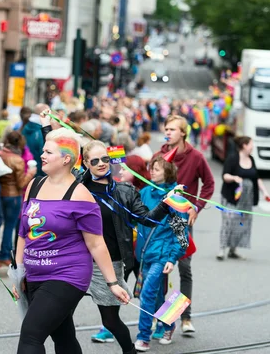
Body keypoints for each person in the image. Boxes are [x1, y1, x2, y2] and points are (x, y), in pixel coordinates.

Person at [12, 128, 130, 354]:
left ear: (66, 159)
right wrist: (18, 271)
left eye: (48, 152)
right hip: (35, 274)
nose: (42, 155)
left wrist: (112, 283)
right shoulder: (34, 185)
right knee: (63, 337)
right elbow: (23, 232)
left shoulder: (80, 194)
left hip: (67, 276)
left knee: (31, 335)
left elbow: (96, 244)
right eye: (43, 150)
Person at [81, 141, 176, 353]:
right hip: (78, 261)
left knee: (115, 317)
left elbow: (149, 219)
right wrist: (46, 128)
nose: (101, 163)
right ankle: (146, 333)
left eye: (105, 159)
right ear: (86, 163)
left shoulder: (125, 191)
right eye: (94, 160)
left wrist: (167, 204)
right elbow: (59, 160)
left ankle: (158, 329)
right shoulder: (79, 187)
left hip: (116, 259)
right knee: (60, 313)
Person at [154, 115, 215, 334]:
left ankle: (185, 318)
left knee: (184, 267)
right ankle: (162, 319)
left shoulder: (196, 157)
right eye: (166, 128)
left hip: (182, 222)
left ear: (183, 133)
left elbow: (209, 184)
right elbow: (147, 183)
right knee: (162, 269)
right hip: (160, 222)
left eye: (172, 129)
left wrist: (196, 207)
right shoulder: (159, 156)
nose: (168, 132)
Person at [135, 156, 188, 351]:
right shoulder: (145, 192)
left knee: (147, 294)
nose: (152, 171)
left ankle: (143, 337)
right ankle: (169, 324)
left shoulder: (176, 198)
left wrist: (172, 258)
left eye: (157, 169)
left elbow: (181, 234)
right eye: (151, 168)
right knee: (156, 295)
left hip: (161, 255)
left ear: (168, 171)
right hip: (144, 254)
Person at [219, 136, 270, 260]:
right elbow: (225, 175)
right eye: (251, 144)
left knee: (242, 223)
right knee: (229, 221)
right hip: (231, 196)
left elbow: (256, 178)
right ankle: (222, 248)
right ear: (244, 145)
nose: (252, 147)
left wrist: (265, 192)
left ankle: (233, 249)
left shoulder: (251, 159)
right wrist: (234, 178)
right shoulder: (232, 158)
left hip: (246, 198)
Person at [0, 132, 36, 267]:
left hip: (1, 192)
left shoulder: (0, 154)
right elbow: (21, 183)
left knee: (1, 224)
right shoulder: (18, 159)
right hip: (13, 196)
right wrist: (31, 173)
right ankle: (4, 255)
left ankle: (2, 254)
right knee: (10, 226)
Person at [21, 103, 49, 176]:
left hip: (26, 169)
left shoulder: (25, 127)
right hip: (38, 172)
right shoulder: (41, 132)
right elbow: (43, 154)